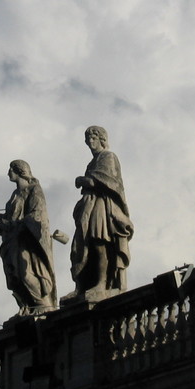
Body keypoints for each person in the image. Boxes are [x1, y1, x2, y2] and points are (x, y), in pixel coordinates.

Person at [0, 160, 59, 316]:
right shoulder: (15, 194)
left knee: (27, 272)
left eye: (10, 170)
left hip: (26, 239)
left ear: (20, 171)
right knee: (14, 275)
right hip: (11, 239)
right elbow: (8, 217)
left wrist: (15, 225)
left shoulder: (34, 190)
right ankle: (28, 306)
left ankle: (42, 304)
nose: (8, 173)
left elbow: (36, 215)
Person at [69, 126, 133, 300]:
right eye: (88, 139)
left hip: (104, 205)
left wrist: (86, 180)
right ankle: (82, 285)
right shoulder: (92, 162)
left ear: (102, 139)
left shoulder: (108, 157)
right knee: (83, 244)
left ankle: (102, 282)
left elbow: (111, 182)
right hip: (90, 205)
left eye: (94, 138)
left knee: (99, 241)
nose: (90, 142)